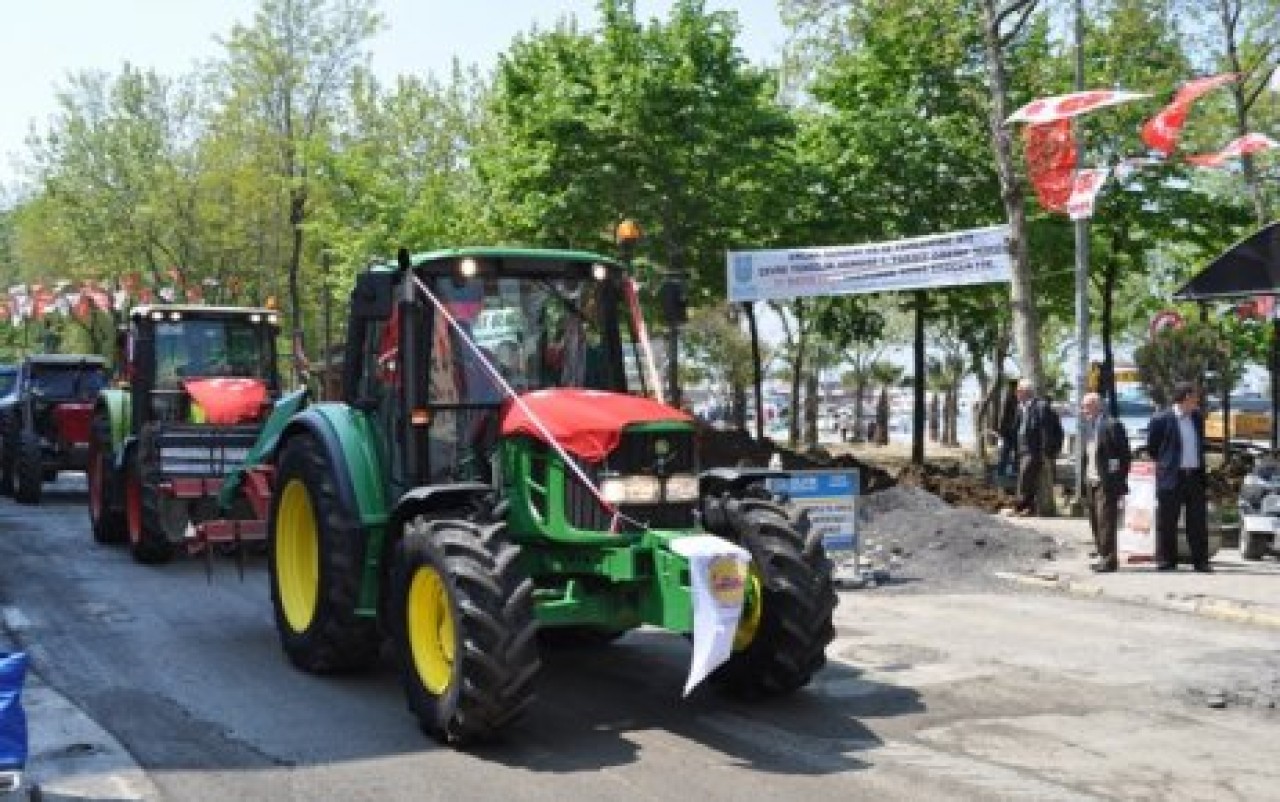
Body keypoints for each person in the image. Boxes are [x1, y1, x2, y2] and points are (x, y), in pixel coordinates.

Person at [1146, 382, 1211, 572]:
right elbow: (1153, 448)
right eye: (1195, 397)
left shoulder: (1197, 418)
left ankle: (1200, 561)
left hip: (1194, 476)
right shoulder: (1161, 419)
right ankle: (1167, 560)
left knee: (1197, 521)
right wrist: (1166, 464)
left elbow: (1200, 445)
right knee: (1167, 520)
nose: (1197, 401)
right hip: (1171, 476)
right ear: (1185, 398)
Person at [1079, 392, 1131, 572]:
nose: (1083, 410)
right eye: (1083, 406)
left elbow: (1123, 455)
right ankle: (1102, 555)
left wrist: (1116, 478)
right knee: (1095, 520)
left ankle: (1110, 560)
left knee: (1106, 521)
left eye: (1086, 406)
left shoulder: (1112, 425)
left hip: (1106, 481)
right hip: (1090, 479)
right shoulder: (1088, 426)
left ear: (1097, 405)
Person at [1001, 379, 1060, 516]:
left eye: (1018, 391)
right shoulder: (1021, 407)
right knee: (1025, 478)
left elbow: (1046, 431)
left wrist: (1046, 453)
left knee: (1025, 477)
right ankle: (1028, 507)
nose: (1016, 394)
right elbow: (1016, 429)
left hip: (1033, 450)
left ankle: (1020, 507)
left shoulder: (1040, 406)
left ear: (1025, 392)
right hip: (1021, 449)